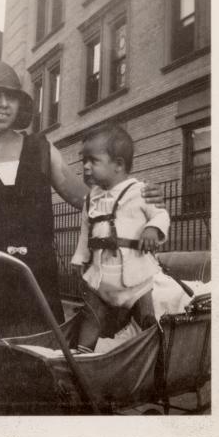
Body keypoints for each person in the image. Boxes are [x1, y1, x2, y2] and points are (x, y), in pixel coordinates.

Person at [0, 60, 165, 413]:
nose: (3, 104)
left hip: (33, 291)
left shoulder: (40, 148)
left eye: (10, 96)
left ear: (21, 104)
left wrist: (139, 202)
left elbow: (86, 197)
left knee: (40, 385)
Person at [71, 124, 170, 353]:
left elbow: (161, 214)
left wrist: (152, 230)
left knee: (147, 318)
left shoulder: (140, 191)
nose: (85, 167)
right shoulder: (91, 200)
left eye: (93, 161)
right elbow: (85, 231)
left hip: (137, 281)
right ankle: (82, 357)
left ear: (118, 165)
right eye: (83, 161)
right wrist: (79, 258)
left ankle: (152, 356)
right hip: (101, 279)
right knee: (91, 316)